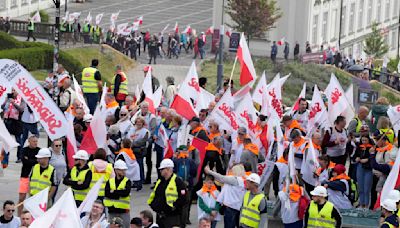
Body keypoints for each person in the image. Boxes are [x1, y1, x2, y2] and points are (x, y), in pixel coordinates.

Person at [148, 159, 188, 228]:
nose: (160, 171)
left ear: (168, 169)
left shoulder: (178, 182)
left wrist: (173, 207)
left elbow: (184, 198)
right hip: (160, 216)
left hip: (172, 217)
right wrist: (153, 205)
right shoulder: (160, 181)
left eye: (162, 169)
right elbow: (155, 195)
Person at [172, 145, 197, 225]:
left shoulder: (175, 161)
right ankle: (186, 219)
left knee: (179, 201)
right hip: (188, 185)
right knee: (187, 203)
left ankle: (180, 219)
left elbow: (172, 171)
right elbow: (194, 173)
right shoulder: (191, 161)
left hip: (178, 185)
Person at [104, 160, 132, 228]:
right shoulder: (110, 181)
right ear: (116, 170)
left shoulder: (127, 181)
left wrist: (113, 192)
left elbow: (125, 193)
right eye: (121, 170)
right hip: (112, 211)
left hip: (123, 211)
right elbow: (107, 193)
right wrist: (119, 193)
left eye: (124, 170)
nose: (123, 172)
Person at [17, 135, 40, 216]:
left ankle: (31, 216)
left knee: (33, 198)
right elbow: (25, 162)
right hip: (25, 177)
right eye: (34, 141)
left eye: (36, 141)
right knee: (21, 198)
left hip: (35, 179)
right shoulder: (24, 150)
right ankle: (19, 216)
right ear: (29, 142)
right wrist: (35, 160)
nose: (35, 143)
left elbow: (39, 161)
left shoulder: (39, 150)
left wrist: (29, 160)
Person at [128, 116, 150, 189]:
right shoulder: (132, 130)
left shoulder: (145, 131)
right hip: (131, 151)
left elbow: (143, 141)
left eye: (140, 122)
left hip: (139, 151)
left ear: (143, 123)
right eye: (137, 122)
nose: (138, 124)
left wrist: (133, 144)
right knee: (134, 166)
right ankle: (135, 181)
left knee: (139, 165)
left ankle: (140, 180)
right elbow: (128, 138)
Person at [355, 135, 374, 208]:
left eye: (365, 140)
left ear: (369, 140)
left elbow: (373, 157)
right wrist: (357, 158)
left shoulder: (371, 148)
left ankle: (366, 205)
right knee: (360, 187)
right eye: (363, 140)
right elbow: (355, 156)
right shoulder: (359, 147)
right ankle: (361, 204)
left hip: (368, 168)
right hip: (360, 167)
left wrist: (367, 159)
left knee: (367, 189)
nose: (364, 142)